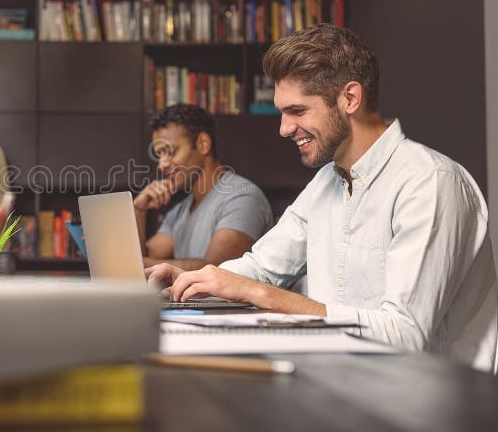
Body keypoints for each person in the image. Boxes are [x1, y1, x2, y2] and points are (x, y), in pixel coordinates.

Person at [147, 24, 498, 372]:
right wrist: (191, 281)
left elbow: (404, 335)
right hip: (349, 386)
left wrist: (262, 294)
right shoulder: (324, 184)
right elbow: (260, 267)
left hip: (434, 408)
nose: (283, 128)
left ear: (350, 98)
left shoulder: (430, 183)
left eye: (297, 112)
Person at [134, 104, 273, 270]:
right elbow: (147, 256)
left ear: (203, 144)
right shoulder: (180, 211)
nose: (161, 165)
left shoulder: (243, 197)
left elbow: (218, 269)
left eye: (169, 151)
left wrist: (136, 265)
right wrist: (138, 209)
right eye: (159, 155)